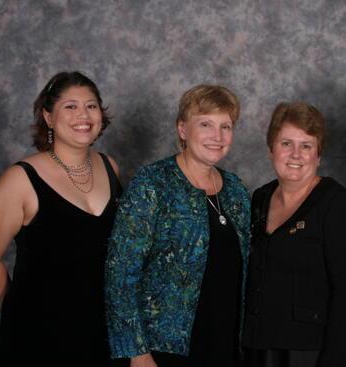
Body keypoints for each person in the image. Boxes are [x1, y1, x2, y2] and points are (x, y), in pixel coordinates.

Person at [0, 71, 125, 366]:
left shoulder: (109, 166)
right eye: (70, 106)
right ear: (48, 116)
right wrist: (19, 311)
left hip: (104, 332)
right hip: (40, 336)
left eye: (91, 106)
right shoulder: (20, 179)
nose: (83, 115)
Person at [105, 85, 250, 367]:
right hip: (163, 350)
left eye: (225, 126)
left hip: (224, 342)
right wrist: (136, 351)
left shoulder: (235, 190)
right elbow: (120, 272)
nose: (217, 137)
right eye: (206, 124)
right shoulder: (153, 183)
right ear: (183, 129)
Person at [242, 102, 346, 367]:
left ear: (319, 155)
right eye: (286, 144)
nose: (296, 155)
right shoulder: (260, 198)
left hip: (310, 353)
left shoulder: (337, 204)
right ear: (271, 150)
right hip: (258, 347)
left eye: (306, 146)